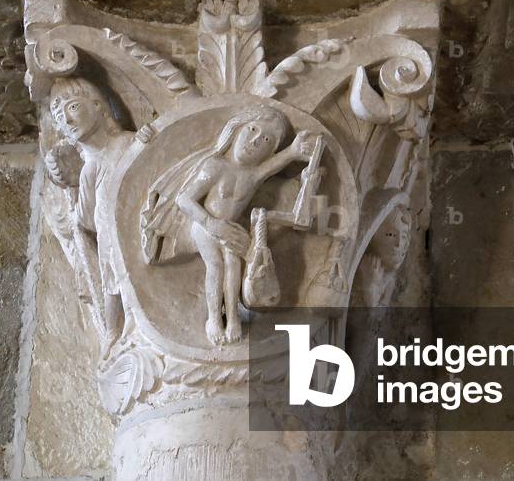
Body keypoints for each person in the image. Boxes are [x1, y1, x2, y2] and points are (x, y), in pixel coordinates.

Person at [142, 107, 316, 345]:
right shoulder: (215, 166)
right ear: (236, 128)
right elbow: (184, 199)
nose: (255, 141)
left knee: (233, 263)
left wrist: (293, 151)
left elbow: (274, 165)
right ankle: (214, 319)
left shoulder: (252, 175)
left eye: (266, 140)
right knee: (216, 264)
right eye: (252, 129)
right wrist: (209, 223)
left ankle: (232, 317)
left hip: (229, 227)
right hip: (204, 226)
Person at [47, 77, 134, 345]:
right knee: (113, 282)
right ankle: (113, 332)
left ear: (98, 105)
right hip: (110, 240)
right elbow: (86, 219)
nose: (68, 122)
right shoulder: (90, 169)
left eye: (72, 108)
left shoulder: (129, 143)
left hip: (139, 232)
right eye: (60, 119)